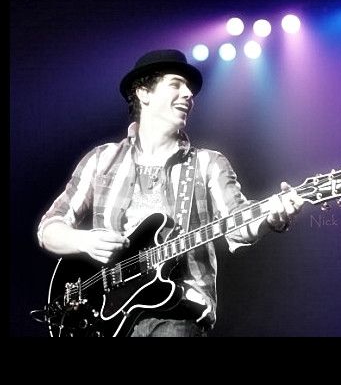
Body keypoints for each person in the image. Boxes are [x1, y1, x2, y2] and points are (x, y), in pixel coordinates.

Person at [36, 49, 305, 337]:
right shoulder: (102, 159)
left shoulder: (208, 163)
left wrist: (272, 217)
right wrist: (84, 240)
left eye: (189, 89)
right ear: (143, 93)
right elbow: (49, 229)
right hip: (107, 321)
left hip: (178, 311)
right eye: (175, 84)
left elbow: (238, 225)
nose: (188, 94)